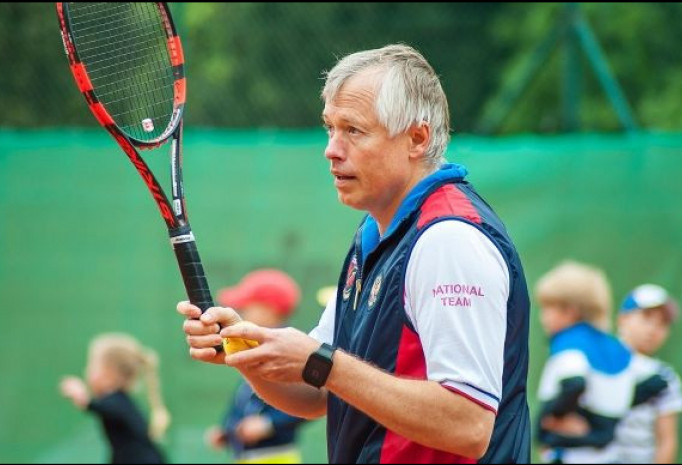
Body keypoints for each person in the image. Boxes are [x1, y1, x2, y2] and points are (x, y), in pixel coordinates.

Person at [179, 44, 531, 464]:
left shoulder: (449, 239)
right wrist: (245, 353)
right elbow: (314, 393)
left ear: (417, 138)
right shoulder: (373, 233)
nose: (331, 148)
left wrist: (323, 364)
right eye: (330, 127)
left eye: (354, 130)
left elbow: (468, 424)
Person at [534, 260, 645, 464]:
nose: (543, 317)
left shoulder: (568, 342)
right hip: (608, 454)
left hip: (569, 456)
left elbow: (574, 383)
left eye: (548, 308)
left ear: (570, 311)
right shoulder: (617, 347)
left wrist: (555, 417)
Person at [204, 269, 308, 463]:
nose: (241, 312)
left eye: (247, 307)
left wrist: (269, 424)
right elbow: (244, 400)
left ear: (270, 309)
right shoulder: (251, 346)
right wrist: (226, 430)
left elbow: (311, 402)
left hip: (275, 458)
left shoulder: (291, 350)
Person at [59, 333, 169, 464]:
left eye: (92, 366)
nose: (87, 370)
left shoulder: (117, 401)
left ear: (109, 373)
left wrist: (84, 399)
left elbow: (107, 408)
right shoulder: (121, 401)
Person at [612, 284, 682, 463]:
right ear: (623, 319)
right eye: (646, 317)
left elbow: (667, 440)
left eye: (662, 323)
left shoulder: (665, 377)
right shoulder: (598, 360)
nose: (653, 329)